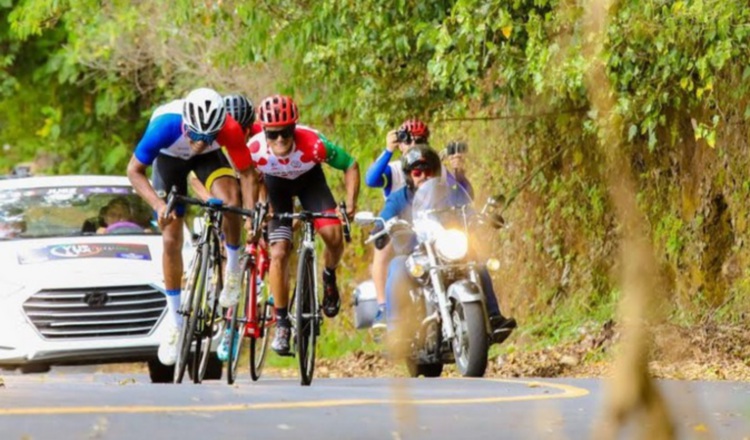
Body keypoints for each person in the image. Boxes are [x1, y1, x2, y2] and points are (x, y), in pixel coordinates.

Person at [126, 87, 256, 366]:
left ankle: (232, 269)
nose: (199, 142)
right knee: (171, 238)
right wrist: (159, 206)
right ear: (187, 123)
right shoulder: (164, 126)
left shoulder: (228, 129)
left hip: (209, 161)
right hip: (169, 160)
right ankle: (175, 322)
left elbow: (246, 173)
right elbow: (133, 171)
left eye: (209, 137)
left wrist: (251, 213)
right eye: (196, 135)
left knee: (231, 201)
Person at [243, 94, 360, 355]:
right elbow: (249, 179)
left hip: (311, 184)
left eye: (287, 132)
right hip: (277, 190)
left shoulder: (315, 144)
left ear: (295, 128)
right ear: (264, 132)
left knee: (333, 235)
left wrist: (350, 203)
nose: (281, 139)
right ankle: (282, 322)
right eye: (274, 134)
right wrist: (253, 216)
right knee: (279, 252)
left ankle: (329, 276)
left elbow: (351, 165)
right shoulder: (254, 149)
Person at [375, 144, 517, 343]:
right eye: (417, 172)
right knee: (397, 267)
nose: (423, 176)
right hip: (415, 253)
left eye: (429, 171)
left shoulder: (450, 192)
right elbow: (384, 218)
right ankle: (396, 330)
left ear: (436, 173)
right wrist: (381, 228)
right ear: (409, 176)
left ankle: (493, 316)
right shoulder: (399, 198)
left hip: (447, 248)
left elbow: (468, 210)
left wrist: (479, 219)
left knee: (476, 262)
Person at [364, 120, 473, 328]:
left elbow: (462, 197)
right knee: (389, 259)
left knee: (473, 257)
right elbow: (371, 179)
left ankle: (490, 313)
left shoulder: (437, 171)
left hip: (438, 236)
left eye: (420, 140)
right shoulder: (395, 170)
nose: (413, 144)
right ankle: (386, 312)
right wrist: (388, 150)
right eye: (408, 139)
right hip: (404, 232)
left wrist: (458, 173)